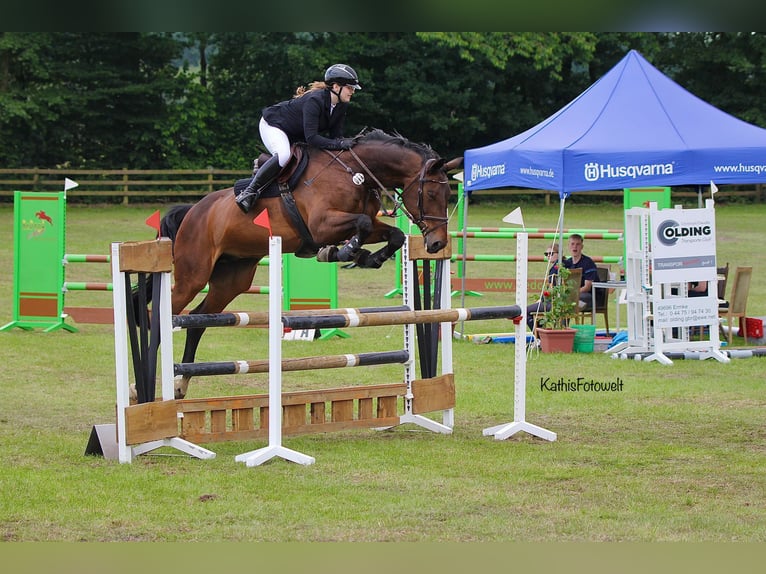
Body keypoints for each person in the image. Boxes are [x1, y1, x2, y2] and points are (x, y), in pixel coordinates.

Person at [235, 63, 362, 213]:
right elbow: (312, 138)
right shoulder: (315, 101)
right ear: (335, 87)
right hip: (274, 125)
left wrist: (344, 144)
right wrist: (340, 143)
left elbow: (336, 137)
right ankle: (249, 192)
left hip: (295, 133)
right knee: (284, 155)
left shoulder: (340, 106)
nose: (352, 91)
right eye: (349, 87)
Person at [526, 244, 560, 331]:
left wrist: (541, 300)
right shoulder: (563, 265)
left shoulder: (556, 268)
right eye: (546, 254)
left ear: (559, 253)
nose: (548, 256)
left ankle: (539, 337)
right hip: (560, 302)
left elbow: (552, 289)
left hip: (554, 303)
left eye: (551, 253)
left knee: (525, 311)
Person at [563, 233, 598, 310]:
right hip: (573, 295)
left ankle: (574, 306)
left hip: (589, 296)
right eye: (572, 244)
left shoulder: (588, 263)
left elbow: (587, 287)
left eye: (578, 244)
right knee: (560, 299)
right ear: (568, 246)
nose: (575, 247)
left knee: (567, 300)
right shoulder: (567, 263)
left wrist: (572, 294)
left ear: (582, 247)